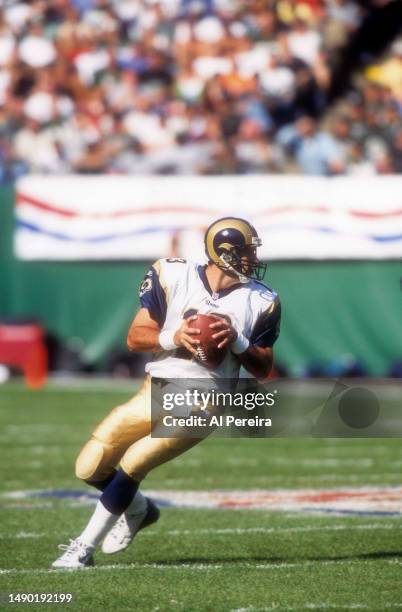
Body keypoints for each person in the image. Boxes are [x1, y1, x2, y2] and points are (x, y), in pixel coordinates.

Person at [52, 217, 281, 569]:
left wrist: (237, 340)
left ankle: (82, 550)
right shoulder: (172, 273)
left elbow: (264, 368)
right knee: (90, 466)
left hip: (207, 400)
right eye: (246, 251)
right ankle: (140, 509)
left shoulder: (262, 300)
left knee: (133, 463)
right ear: (223, 254)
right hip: (156, 387)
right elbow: (135, 336)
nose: (253, 257)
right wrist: (173, 337)